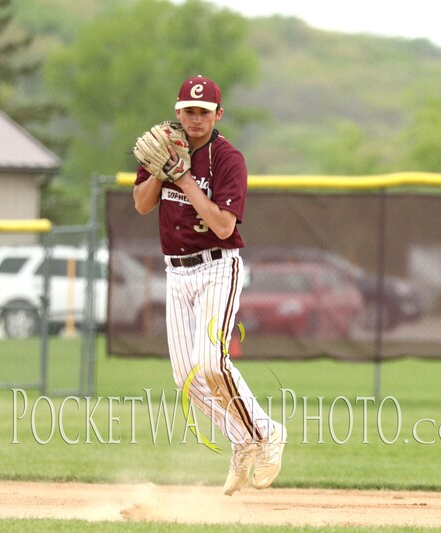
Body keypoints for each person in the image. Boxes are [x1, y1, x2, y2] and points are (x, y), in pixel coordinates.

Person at [132, 75, 286, 496]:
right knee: (187, 377)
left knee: (213, 362)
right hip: (176, 272)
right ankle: (242, 440)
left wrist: (182, 180)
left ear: (218, 115)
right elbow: (142, 204)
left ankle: (268, 433)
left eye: (203, 111)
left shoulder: (228, 158)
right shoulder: (163, 144)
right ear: (178, 110)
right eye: (188, 110)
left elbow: (222, 226)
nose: (195, 118)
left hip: (217, 267)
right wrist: (160, 172)